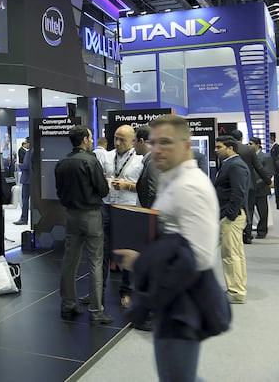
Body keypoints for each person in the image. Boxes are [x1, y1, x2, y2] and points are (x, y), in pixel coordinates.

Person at [115, 115, 222, 382]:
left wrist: (142, 264)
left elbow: (198, 258)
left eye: (166, 142)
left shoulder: (190, 187)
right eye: (154, 142)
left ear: (186, 146)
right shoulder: (171, 180)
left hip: (183, 303)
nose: (157, 149)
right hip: (171, 299)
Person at [55, 125, 112, 325]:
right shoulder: (91, 161)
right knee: (95, 262)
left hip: (70, 215)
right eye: (90, 137)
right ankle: (96, 311)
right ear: (85, 140)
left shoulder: (62, 163)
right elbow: (103, 190)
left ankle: (67, 304)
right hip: (91, 215)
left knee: (70, 261)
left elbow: (59, 192)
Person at [100, 124, 143, 308]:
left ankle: (127, 292)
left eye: (122, 140)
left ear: (133, 141)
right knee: (101, 252)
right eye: (116, 138)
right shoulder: (107, 157)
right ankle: (97, 291)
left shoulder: (140, 160)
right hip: (106, 207)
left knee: (128, 256)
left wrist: (127, 186)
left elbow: (144, 186)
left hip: (128, 209)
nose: (117, 143)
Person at [214, 135, 249, 304]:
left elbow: (239, 193)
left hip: (232, 217)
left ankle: (236, 292)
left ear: (230, 148)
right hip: (231, 216)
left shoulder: (235, 165)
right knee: (236, 254)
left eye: (219, 147)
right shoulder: (230, 164)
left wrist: (229, 214)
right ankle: (238, 288)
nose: (216, 150)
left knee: (230, 255)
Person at [229, 129, 271, 243]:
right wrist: (268, 180)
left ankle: (240, 233)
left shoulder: (228, 149)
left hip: (237, 185)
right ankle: (247, 234)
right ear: (242, 138)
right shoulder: (248, 150)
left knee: (239, 210)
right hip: (250, 185)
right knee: (249, 210)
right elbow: (259, 168)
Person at [247, 136, 272, 239]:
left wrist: (257, 183)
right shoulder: (248, 156)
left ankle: (262, 231)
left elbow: (268, 174)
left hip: (261, 189)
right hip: (250, 189)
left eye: (251, 144)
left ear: (257, 145)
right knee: (250, 211)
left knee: (263, 212)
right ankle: (248, 232)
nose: (249, 146)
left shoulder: (265, 157)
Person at [134, 126, 158, 208]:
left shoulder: (152, 162)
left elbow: (154, 193)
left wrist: (148, 215)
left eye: (134, 141)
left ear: (141, 141)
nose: (133, 145)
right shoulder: (148, 161)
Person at [15, 146, 31, 225]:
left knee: (25, 201)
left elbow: (26, 166)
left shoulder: (28, 152)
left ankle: (24, 219)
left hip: (27, 180)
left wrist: (19, 165)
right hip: (34, 180)